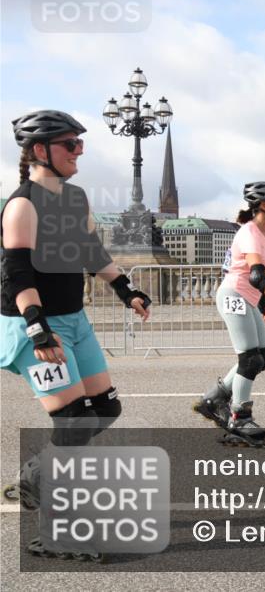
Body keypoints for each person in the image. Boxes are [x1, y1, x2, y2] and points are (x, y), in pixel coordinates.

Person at [0, 110, 151, 561]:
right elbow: (16, 273)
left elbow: (89, 249)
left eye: (80, 143)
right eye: (71, 144)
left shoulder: (76, 197)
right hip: (34, 324)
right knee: (71, 421)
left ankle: (37, 475)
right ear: (40, 151)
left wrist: (125, 289)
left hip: (74, 317)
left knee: (104, 408)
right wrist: (37, 327)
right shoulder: (22, 204)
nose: (80, 151)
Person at [193, 181, 265, 447]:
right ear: (264, 205)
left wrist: (262, 303)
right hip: (233, 295)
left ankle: (214, 399)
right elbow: (254, 273)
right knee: (250, 360)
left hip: (247, 298)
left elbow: (249, 271)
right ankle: (239, 417)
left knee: (264, 358)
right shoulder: (250, 231)